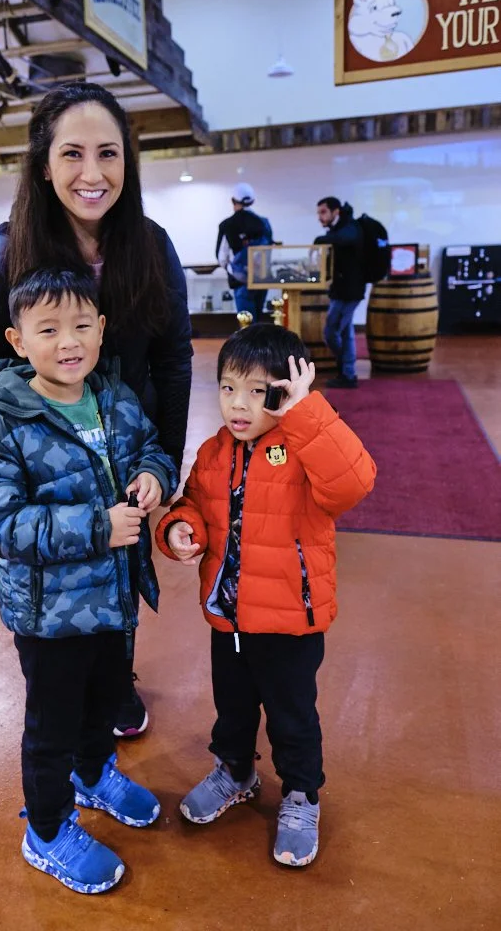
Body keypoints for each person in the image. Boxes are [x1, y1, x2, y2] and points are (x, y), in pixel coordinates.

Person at [0, 82, 192, 737]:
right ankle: (61, 710)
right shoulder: (6, 251)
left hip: (125, 448)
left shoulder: (150, 245)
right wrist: (8, 460)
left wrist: (164, 466)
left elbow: (174, 359)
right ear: (43, 164)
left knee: (120, 569)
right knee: (56, 589)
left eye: (108, 154)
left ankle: (117, 684)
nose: (93, 173)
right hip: (43, 467)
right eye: (72, 154)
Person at [0, 268, 178, 893]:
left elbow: (152, 447)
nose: (69, 341)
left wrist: (155, 476)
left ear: (101, 330)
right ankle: (47, 830)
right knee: (52, 726)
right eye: (48, 329)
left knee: (106, 701)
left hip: (115, 598)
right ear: (18, 340)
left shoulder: (115, 397)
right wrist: (97, 527)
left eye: (81, 325)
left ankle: (95, 774)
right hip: (49, 616)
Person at [156, 324, 375, 868]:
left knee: (291, 715)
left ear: (285, 392)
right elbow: (193, 505)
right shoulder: (214, 452)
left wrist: (306, 412)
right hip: (229, 619)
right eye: (229, 388)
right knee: (231, 708)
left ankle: (301, 793)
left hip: (290, 623)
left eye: (258, 391)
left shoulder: (304, 447)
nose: (238, 404)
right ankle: (235, 771)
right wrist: (181, 529)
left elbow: (353, 483)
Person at [314, 197, 365, 389]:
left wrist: (321, 240)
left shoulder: (349, 226)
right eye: (319, 213)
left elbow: (345, 238)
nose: (320, 217)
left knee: (332, 332)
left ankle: (347, 371)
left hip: (350, 291)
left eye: (323, 212)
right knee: (344, 332)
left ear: (336, 211)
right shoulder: (340, 228)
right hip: (343, 290)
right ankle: (347, 372)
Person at [215, 183, 273, 321]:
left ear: (233, 201)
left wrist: (234, 270)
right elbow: (269, 250)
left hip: (241, 281)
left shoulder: (227, 224)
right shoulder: (264, 223)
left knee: (246, 324)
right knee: (259, 322)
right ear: (252, 201)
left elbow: (221, 257)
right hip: (262, 280)